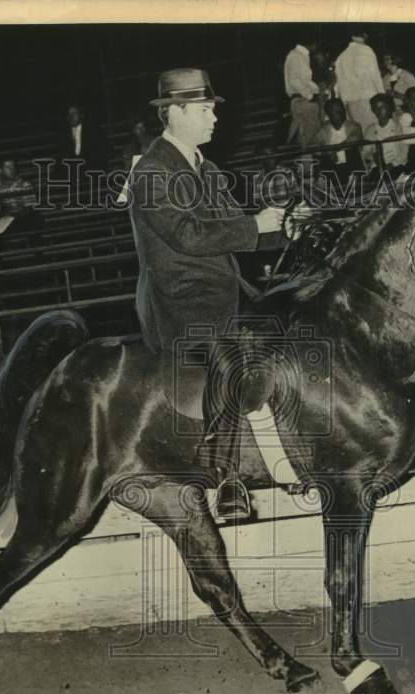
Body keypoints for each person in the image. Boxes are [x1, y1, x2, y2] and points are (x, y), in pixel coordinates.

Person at [128, 68, 288, 520]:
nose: (214, 118)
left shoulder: (207, 169)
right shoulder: (151, 172)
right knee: (227, 352)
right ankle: (226, 479)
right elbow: (189, 236)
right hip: (180, 299)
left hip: (225, 290)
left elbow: (238, 232)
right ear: (174, 113)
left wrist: (287, 226)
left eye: (213, 109)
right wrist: (254, 225)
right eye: (204, 110)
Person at [334, 29, 386, 131]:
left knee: (361, 133)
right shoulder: (366, 50)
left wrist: (344, 104)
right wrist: (383, 97)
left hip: (351, 103)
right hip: (369, 99)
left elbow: (339, 84)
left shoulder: (341, 57)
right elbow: (375, 76)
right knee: (375, 131)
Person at [312, 98, 364, 186]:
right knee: (319, 155)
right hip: (333, 167)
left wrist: (334, 150)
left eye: (341, 110)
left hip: (350, 166)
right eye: (335, 111)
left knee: (351, 150)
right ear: (329, 114)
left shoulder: (354, 126)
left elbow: (354, 139)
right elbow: (312, 145)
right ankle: (322, 181)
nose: (340, 113)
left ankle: (354, 180)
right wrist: (328, 152)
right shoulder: (324, 129)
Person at [0, 159, 43, 239]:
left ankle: (36, 249)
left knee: (35, 220)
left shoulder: (25, 184)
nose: (12, 170)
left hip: (23, 219)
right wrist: (5, 214)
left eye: (13, 166)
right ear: (0, 170)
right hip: (6, 220)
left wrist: (13, 214)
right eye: (8, 167)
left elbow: (29, 207)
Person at [284, 41, 323, 148]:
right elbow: (294, 80)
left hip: (304, 100)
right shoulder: (296, 56)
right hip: (304, 100)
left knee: (309, 137)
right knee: (309, 139)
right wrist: (310, 95)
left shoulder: (301, 55)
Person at [363, 93, 407, 177]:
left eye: (382, 107)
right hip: (378, 168)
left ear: (389, 109)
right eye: (375, 108)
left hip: (397, 166)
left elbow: (404, 153)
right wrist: (372, 160)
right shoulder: (370, 129)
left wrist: (391, 165)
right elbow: (366, 152)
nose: (378, 111)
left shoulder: (398, 126)